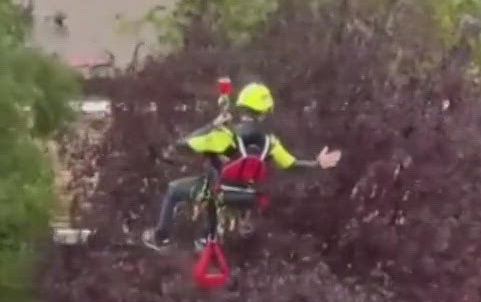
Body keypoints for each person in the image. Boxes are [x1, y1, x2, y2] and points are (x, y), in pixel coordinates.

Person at [141, 79, 341, 251]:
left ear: (242, 106)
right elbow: (290, 165)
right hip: (247, 197)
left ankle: (161, 237)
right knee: (211, 189)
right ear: (266, 110)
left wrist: (212, 125)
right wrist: (317, 164)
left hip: (216, 192)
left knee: (176, 189)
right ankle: (207, 238)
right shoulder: (270, 141)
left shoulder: (226, 135)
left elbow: (182, 145)